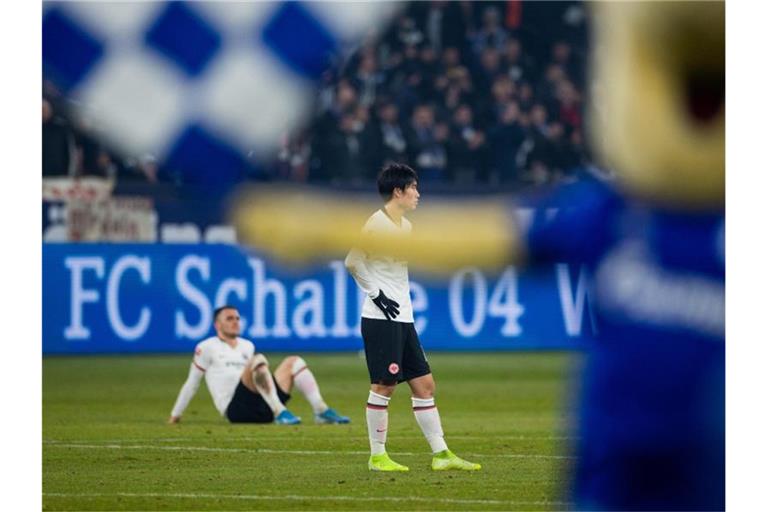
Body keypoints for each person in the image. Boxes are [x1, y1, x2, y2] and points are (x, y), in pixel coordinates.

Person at [343, 163, 481, 472]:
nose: (418, 194)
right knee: (384, 385)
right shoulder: (376, 224)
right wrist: (376, 294)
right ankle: (377, 456)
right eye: (414, 188)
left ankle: (442, 454)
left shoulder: (404, 227)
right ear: (398, 191)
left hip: (403, 318)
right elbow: (353, 261)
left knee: (424, 385)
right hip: (380, 318)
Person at [168, 305, 350, 426]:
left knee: (294, 361)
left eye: (237, 318)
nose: (235, 322)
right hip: (236, 410)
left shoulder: (247, 345)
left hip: (263, 406)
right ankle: (280, 412)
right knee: (258, 360)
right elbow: (192, 383)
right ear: (217, 324)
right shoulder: (206, 347)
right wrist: (175, 415)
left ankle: (320, 410)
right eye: (229, 318)